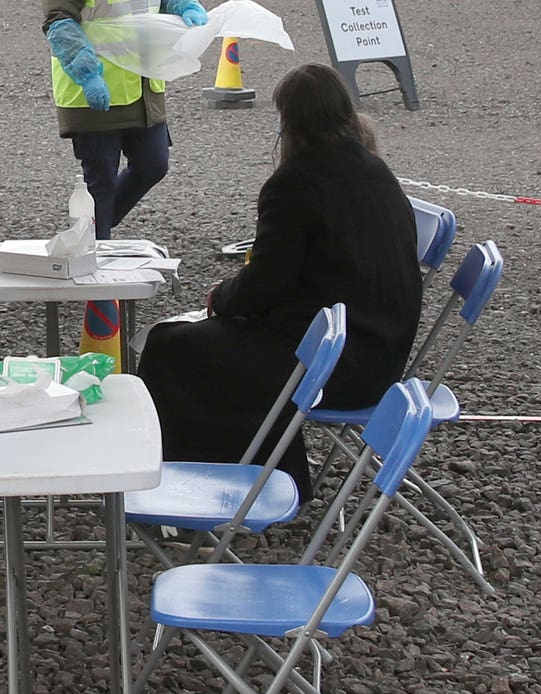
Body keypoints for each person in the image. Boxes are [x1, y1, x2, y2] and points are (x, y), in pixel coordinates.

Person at [137, 63, 423, 499]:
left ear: (290, 122)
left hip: (333, 366)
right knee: (209, 344)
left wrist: (222, 297)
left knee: (169, 345)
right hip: (380, 354)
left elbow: (266, 284)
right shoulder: (376, 170)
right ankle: (275, 473)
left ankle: (189, 484)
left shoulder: (295, 183)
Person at [40, 0, 208, 241]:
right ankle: (98, 272)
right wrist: (87, 74)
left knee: (153, 164)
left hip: (143, 84)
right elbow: (59, 23)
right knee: (100, 180)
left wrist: (184, 4)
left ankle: (92, 232)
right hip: (95, 90)